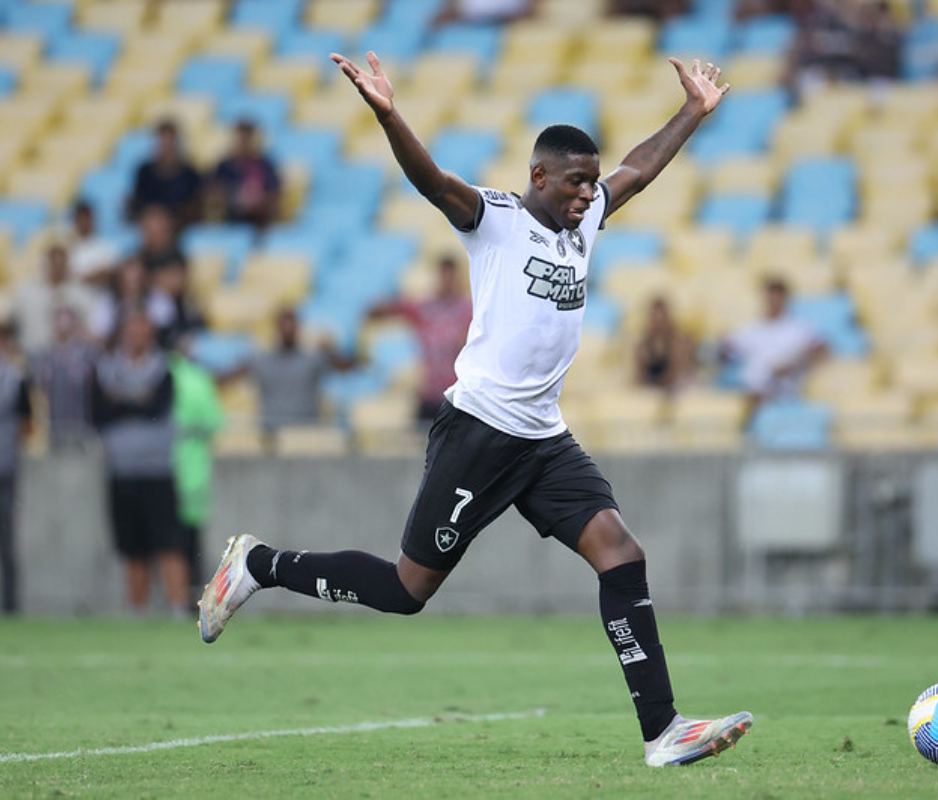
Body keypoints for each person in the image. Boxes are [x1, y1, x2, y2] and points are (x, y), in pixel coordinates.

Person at [199, 51, 753, 768]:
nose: (590, 193)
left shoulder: (585, 225)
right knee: (406, 591)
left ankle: (663, 730)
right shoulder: (493, 219)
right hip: (479, 435)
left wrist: (693, 112)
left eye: (592, 181)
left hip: (544, 439)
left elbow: (638, 169)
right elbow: (431, 181)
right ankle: (259, 564)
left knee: (621, 554)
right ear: (538, 178)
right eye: (577, 181)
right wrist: (388, 114)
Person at [91, 311, 190, 616]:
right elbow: (100, 414)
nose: (136, 335)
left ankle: (178, 607)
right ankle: (138, 609)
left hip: (158, 469)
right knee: (132, 546)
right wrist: (137, 402)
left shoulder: (163, 369)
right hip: (121, 469)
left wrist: (122, 402)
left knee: (169, 542)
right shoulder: (106, 369)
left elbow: (157, 408)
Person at [218, 308, 355, 440]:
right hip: (271, 434)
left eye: (292, 325)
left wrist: (329, 352)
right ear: (276, 329)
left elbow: (347, 367)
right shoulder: (261, 361)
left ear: (299, 328)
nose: (288, 330)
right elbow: (227, 379)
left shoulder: (313, 359)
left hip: (305, 434)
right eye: (284, 325)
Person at [369, 254, 473, 424]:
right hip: (428, 391)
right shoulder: (425, 308)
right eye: (443, 276)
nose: (447, 281)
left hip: (457, 393)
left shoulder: (467, 309)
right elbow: (388, 310)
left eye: (451, 276)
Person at [722, 278, 827, 417]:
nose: (773, 302)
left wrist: (794, 363)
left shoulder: (799, 328)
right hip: (752, 395)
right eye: (770, 297)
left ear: (785, 299)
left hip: (786, 395)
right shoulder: (749, 329)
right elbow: (725, 350)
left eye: (778, 298)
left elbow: (822, 349)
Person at [169, 337, 224, 598]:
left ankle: (170, 600)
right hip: (193, 468)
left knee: (162, 542)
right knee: (189, 542)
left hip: (162, 467)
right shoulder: (198, 378)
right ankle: (192, 598)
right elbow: (214, 421)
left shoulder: (163, 375)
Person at [0, 321, 33, 615]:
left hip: (5, 468)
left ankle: (10, 605)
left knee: (7, 540)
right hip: (6, 464)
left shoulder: (15, 377)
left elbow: (28, 422)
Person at [32, 307, 98, 450]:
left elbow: (91, 381)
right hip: (54, 424)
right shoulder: (43, 355)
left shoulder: (89, 354)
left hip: (82, 423)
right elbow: (39, 383)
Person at [14, 243, 94, 356]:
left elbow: (93, 326)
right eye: (53, 263)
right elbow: (11, 321)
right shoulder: (27, 291)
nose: (57, 268)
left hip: (71, 359)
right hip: (32, 355)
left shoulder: (81, 293)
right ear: (46, 264)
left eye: (61, 263)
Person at [129, 119, 203, 228]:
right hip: (151, 225)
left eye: (170, 140)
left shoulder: (189, 174)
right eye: (162, 140)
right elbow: (138, 203)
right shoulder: (144, 172)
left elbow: (195, 205)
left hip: (180, 226)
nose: (166, 146)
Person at [210, 119, 282, 231]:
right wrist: (234, 200)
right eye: (240, 140)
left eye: (246, 140)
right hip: (229, 221)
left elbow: (274, 193)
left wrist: (259, 202)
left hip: (259, 222)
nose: (243, 144)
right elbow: (213, 193)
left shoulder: (265, 165)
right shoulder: (224, 167)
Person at [89, 258, 176, 347]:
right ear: (119, 278)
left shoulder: (159, 298)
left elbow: (166, 325)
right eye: (128, 278)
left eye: (137, 278)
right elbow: (98, 331)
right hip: (117, 353)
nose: (133, 282)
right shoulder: (109, 301)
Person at [634, 296, 695, 391]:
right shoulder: (643, 345)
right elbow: (639, 375)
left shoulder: (680, 341)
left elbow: (676, 372)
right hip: (653, 389)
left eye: (661, 319)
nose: (658, 323)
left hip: (678, 389)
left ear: (668, 318)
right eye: (654, 319)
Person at [65, 199, 121, 293]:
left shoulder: (106, 248)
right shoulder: (67, 249)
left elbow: (110, 274)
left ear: (93, 220)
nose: (83, 223)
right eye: (79, 219)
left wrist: (86, 279)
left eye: (86, 218)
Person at [134, 204, 188, 277]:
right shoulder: (136, 263)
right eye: (147, 228)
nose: (151, 234)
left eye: (156, 230)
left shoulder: (182, 260)